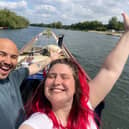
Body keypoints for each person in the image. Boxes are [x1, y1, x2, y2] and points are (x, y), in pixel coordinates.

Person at [19, 12, 129, 129]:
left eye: (65, 77)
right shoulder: (39, 121)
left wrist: (128, 34)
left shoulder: (87, 103)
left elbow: (109, 70)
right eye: (51, 76)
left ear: (76, 85)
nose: (56, 82)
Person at [0, 38, 61, 129]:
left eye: (13, 57)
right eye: (2, 54)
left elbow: (33, 67)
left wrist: (51, 59)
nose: (8, 61)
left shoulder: (14, 76)